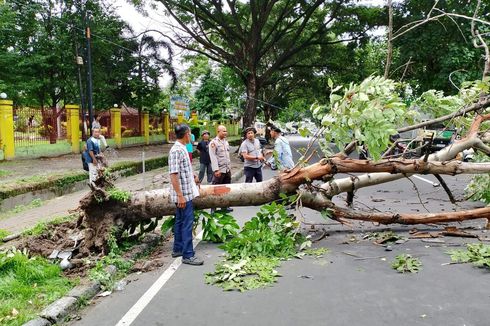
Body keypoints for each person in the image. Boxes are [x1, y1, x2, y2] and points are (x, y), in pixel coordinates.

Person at [168, 123, 203, 266]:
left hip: (186, 191)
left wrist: (193, 175)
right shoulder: (176, 150)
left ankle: (178, 248)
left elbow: (183, 169)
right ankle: (188, 255)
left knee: (180, 221)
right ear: (186, 134)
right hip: (183, 194)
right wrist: (180, 195)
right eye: (190, 133)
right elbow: (174, 174)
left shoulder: (182, 148)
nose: (191, 136)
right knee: (187, 223)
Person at [209, 125, 233, 213]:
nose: (225, 133)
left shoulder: (225, 142)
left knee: (226, 189)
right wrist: (216, 170)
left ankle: (225, 206)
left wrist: (230, 168)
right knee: (215, 189)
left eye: (226, 131)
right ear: (218, 132)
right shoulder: (214, 142)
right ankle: (213, 208)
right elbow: (213, 156)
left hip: (227, 169)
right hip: (219, 170)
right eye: (223, 131)